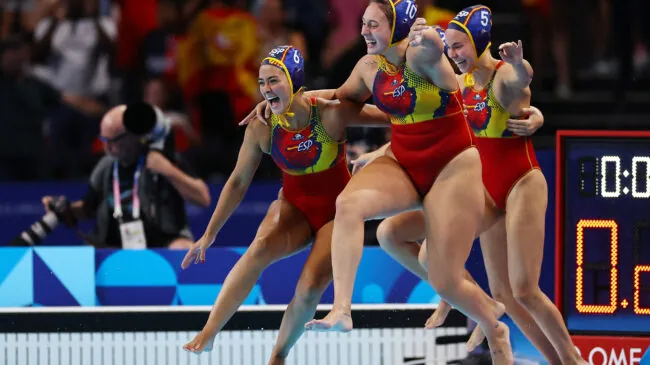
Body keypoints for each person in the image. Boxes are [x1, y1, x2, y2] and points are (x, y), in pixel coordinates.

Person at [239, 0, 512, 360]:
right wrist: (280, 101)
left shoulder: (421, 55)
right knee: (354, 209)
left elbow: (448, 78)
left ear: (397, 26)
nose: (364, 31)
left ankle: (494, 325)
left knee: (444, 277)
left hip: (452, 165)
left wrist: (430, 40)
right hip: (404, 159)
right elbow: (339, 98)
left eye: (373, 25)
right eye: (363, 24)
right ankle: (342, 309)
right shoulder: (368, 66)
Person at [371, 6, 586, 364]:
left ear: (479, 43)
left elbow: (521, 79)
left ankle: (572, 360)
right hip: (483, 191)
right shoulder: (457, 83)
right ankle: (468, 301)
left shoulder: (501, 77)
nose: (454, 56)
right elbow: (420, 121)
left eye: (459, 47)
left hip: (521, 183)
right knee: (429, 254)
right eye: (450, 48)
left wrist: (519, 63)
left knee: (524, 289)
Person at [180, 45, 390, 364]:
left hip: (338, 213)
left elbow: (399, 118)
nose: (265, 90)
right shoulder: (262, 127)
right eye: (262, 82)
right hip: (294, 207)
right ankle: (208, 332)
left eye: (274, 81)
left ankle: (279, 355)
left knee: (308, 290)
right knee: (259, 248)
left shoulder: (330, 113)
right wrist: (210, 234)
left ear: (294, 82)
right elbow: (237, 181)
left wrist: (380, 152)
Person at [42, 103, 210, 249]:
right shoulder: (105, 166)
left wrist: (168, 170)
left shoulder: (163, 158)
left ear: (132, 136)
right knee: (84, 254)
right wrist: (65, 208)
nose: (106, 146)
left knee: (181, 249)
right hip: (114, 243)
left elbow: (203, 198)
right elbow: (88, 208)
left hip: (163, 242)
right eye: (103, 139)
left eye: (112, 140)